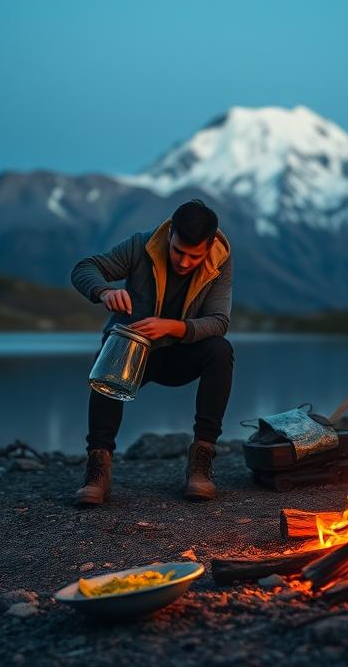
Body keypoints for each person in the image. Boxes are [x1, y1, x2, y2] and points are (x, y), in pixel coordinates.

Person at [70, 199, 234, 506]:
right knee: (107, 355)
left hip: (181, 354)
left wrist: (172, 327)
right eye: (178, 251)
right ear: (170, 233)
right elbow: (84, 268)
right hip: (131, 356)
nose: (184, 262)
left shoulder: (220, 259)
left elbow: (219, 322)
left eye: (194, 256)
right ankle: (97, 470)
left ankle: (201, 462)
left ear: (209, 246)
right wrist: (105, 291)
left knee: (220, 351)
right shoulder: (141, 246)